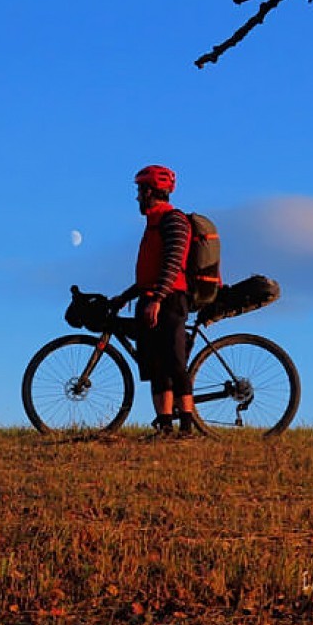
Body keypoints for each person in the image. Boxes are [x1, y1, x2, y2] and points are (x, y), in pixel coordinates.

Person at [109, 165, 203, 437]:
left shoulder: (173, 220)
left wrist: (158, 299)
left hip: (170, 300)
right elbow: (149, 273)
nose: (137, 197)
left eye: (140, 191)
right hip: (152, 297)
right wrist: (125, 297)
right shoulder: (153, 223)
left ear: (150, 191)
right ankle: (164, 425)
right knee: (156, 365)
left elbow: (173, 263)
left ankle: (186, 426)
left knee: (175, 363)